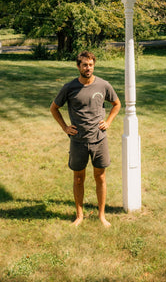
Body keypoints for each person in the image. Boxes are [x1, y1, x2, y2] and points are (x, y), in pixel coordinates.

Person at [50, 51, 121, 227]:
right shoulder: (69, 87)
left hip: (99, 139)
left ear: (93, 65)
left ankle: (102, 216)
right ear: (78, 66)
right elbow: (54, 108)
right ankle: (79, 215)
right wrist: (65, 127)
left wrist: (108, 122)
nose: (87, 68)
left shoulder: (103, 85)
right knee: (78, 178)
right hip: (78, 141)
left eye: (90, 65)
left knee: (100, 177)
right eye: (84, 65)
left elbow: (117, 104)